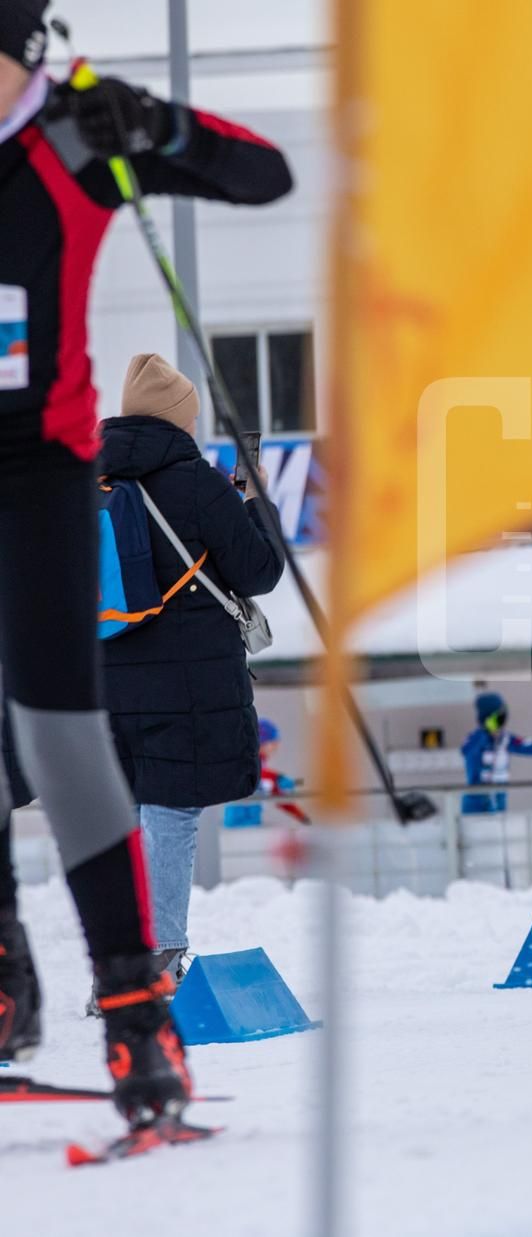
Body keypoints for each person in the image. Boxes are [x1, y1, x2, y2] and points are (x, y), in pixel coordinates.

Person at [0, 0, 291, 1125]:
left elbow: (262, 176)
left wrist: (155, 127)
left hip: (41, 472)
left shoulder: (70, 142)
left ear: (22, 56)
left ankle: (135, 1017)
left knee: (67, 744)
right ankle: (8, 978)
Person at [99, 354, 285, 979]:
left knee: (125, 819)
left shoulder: (84, 482)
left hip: (107, 677)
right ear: (180, 420)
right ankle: (159, 958)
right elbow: (259, 568)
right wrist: (253, 498)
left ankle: (117, 968)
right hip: (186, 682)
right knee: (171, 813)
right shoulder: (195, 481)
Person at [460, 692, 532, 814]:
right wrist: (486, 732)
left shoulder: (506, 740)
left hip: (499, 806)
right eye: (497, 718)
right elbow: (468, 752)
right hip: (475, 807)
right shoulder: (474, 739)